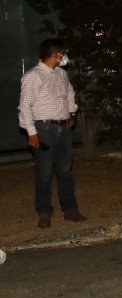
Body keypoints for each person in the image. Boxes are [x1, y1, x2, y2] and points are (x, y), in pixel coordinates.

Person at [17, 38, 87, 228]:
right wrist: (31, 132)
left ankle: (70, 210)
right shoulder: (33, 76)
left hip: (63, 128)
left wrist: (71, 111)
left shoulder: (61, 74)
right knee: (45, 172)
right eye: (63, 53)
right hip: (43, 129)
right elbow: (25, 106)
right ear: (57, 55)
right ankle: (44, 212)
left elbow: (70, 92)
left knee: (65, 170)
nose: (65, 57)